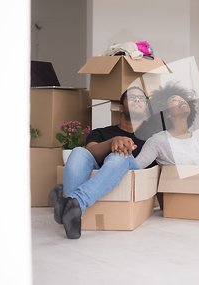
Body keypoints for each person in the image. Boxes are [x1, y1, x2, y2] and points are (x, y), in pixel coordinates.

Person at [49, 87, 156, 239]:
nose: (137, 100)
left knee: (121, 155)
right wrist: (112, 142)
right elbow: (90, 152)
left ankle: (74, 202)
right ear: (120, 108)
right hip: (103, 170)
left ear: (146, 111)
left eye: (142, 99)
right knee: (79, 151)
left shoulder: (152, 138)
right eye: (131, 97)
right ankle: (73, 219)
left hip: (133, 173)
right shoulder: (101, 133)